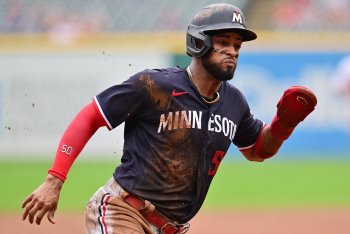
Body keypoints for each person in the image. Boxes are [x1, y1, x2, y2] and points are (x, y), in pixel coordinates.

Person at [22, 3, 317, 234]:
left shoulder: (234, 101)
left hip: (171, 227)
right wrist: (54, 180)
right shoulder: (155, 86)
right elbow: (90, 116)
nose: (232, 51)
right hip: (123, 211)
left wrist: (284, 123)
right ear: (199, 43)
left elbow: (258, 150)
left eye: (237, 46)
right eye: (224, 41)